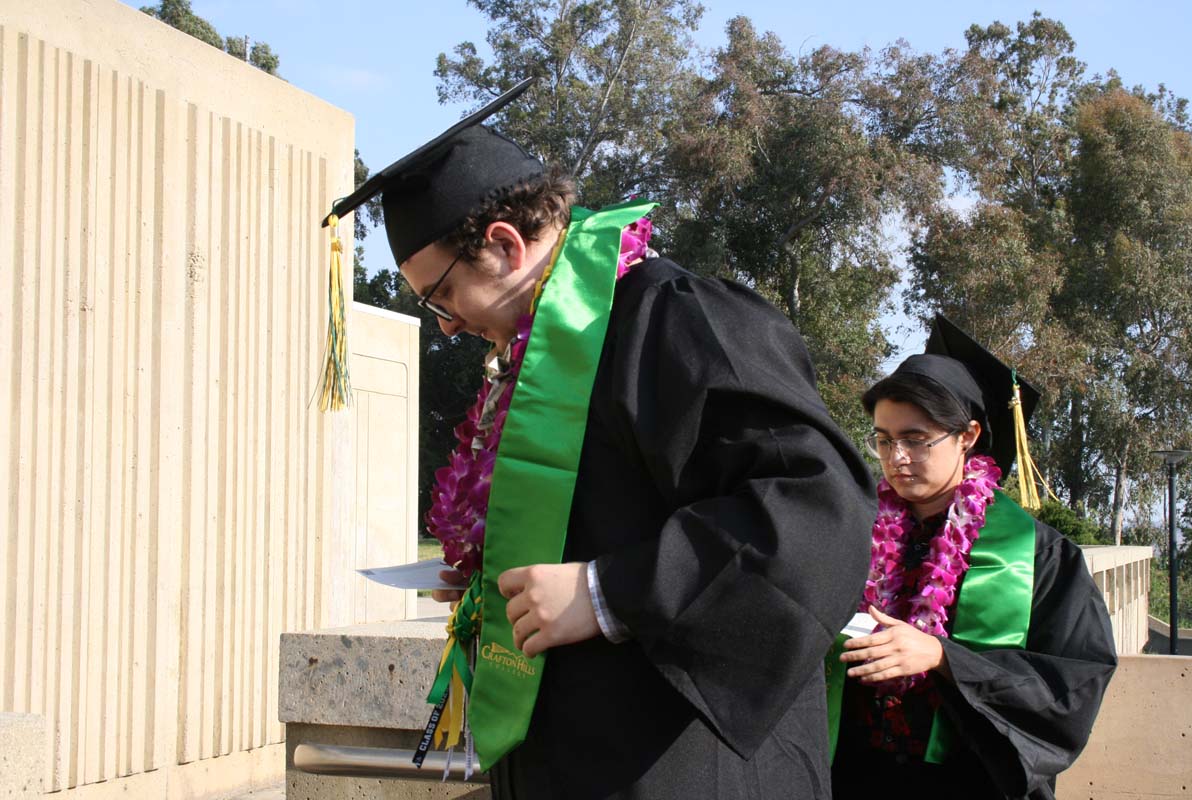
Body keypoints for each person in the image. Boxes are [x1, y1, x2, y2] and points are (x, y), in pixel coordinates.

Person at [325, 79, 875, 799]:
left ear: (504, 243)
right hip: (566, 755)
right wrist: (496, 572)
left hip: (678, 761)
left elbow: (814, 512)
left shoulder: (676, 319)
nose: (447, 326)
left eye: (442, 296)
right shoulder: (530, 362)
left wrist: (609, 589)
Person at [828, 314, 1117, 799]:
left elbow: (1072, 687)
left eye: (916, 439)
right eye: (882, 439)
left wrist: (943, 658)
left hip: (971, 782)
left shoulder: (1040, 556)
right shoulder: (853, 534)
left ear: (968, 436)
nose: (896, 457)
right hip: (854, 776)